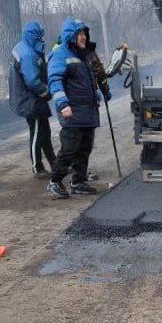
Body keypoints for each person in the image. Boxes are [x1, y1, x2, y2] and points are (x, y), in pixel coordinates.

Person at [47, 18, 111, 199]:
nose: (83, 37)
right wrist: (63, 104)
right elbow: (55, 81)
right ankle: (55, 181)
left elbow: (89, 80)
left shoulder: (85, 55)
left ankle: (78, 182)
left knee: (84, 148)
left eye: (84, 33)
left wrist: (97, 94)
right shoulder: (60, 54)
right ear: (70, 36)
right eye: (79, 34)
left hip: (87, 111)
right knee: (69, 149)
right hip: (72, 112)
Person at [8, 21, 56, 179]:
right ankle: (37, 168)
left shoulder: (27, 47)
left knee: (45, 132)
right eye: (41, 37)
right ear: (33, 36)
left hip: (33, 100)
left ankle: (55, 164)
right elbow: (32, 81)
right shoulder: (28, 54)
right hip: (30, 101)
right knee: (37, 134)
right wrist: (46, 93)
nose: (43, 39)